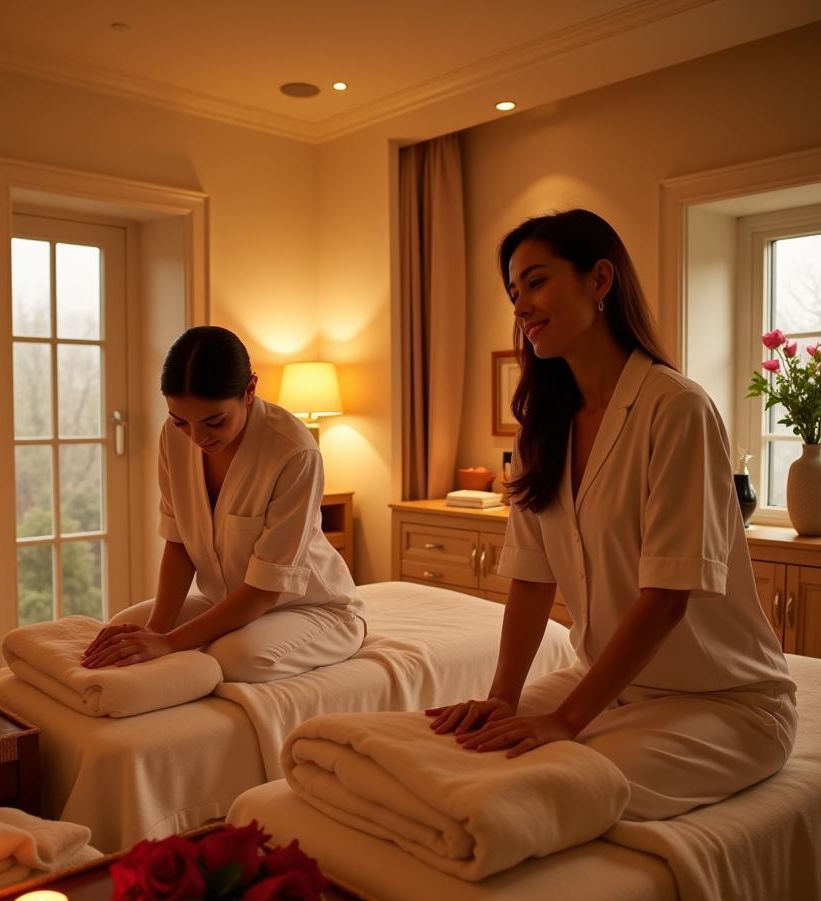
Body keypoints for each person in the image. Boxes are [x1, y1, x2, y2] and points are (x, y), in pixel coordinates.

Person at [427, 209, 796, 821]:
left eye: (536, 282)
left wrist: (568, 721)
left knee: (535, 795)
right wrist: (505, 698)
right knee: (456, 755)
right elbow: (531, 579)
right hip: (610, 683)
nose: (520, 306)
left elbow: (668, 596)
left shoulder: (676, 409)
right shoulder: (543, 430)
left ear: (599, 280)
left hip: (723, 703)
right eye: (514, 292)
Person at [82, 325, 367, 682]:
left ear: (249, 391)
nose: (198, 438)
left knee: (238, 658)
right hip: (225, 602)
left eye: (214, 422)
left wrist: (170, 644)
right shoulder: (174, 438)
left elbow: (265, 589)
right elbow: (179, 542)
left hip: (310, 608)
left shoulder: (293, 452)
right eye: (182, 421)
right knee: (126, 628)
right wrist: (156, 630)